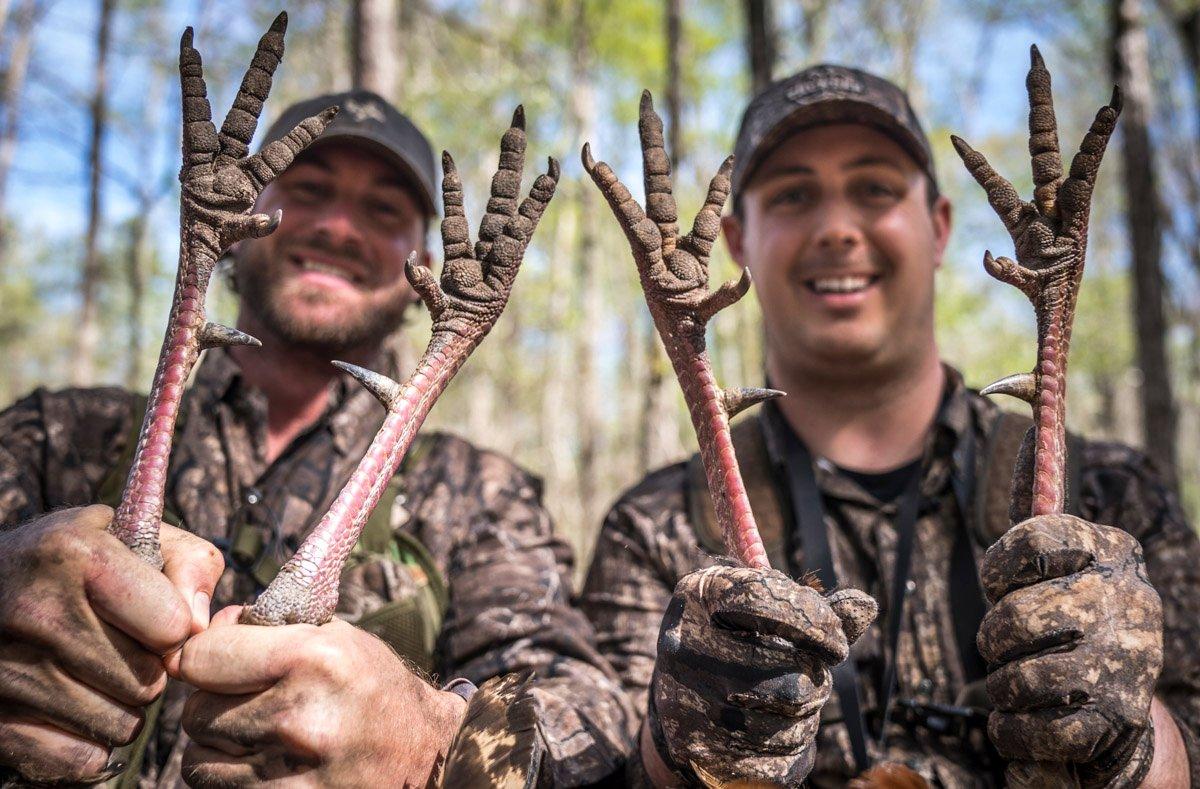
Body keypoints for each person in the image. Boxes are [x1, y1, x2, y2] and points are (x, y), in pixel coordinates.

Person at [582, 63, 1200, 787]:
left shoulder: (1108, 495)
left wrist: (1134, 739)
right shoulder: (656, 528)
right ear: (740, 239)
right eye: (793, 195)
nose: (838, 229)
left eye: (874, 188)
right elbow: (608, 753)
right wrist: (678, 744)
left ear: (938, 226)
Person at [0, 90, 633, 787]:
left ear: (421, 254)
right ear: (248, 214)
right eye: (308, 190)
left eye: (383, 210)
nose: (337, 226)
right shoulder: (60, 437)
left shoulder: (476, 493)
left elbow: (590, 710)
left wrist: (433, 732)